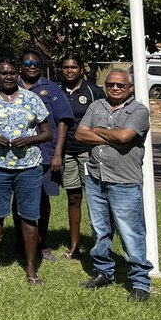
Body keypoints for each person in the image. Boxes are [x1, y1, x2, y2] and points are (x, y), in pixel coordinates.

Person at [0, 57, 52, 284]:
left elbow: (47, 132)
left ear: (18, 75)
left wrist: (30, 139)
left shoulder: (31, 99)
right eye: (3, 73)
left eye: (12, 73)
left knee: (29, 216)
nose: (8, 76)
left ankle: (31, 269)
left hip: (29, 168)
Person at [76, 69, 154, 302]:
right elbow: (80, 135)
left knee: (131, 232)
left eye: (121, 85)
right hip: (95, 178)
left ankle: (140, 282)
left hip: (124, 181)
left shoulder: (138, 111)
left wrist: (98, 131)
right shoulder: (96, 106)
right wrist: (111, 134)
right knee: (100, 230)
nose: (116, 88)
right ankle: (103, 271)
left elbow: (125, 138)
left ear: (130, 88)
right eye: (111, 85)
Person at [16, 48, 75, 261]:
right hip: (16, 156)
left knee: (41, 201)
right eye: (28, 64)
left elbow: (63, 122)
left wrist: (58, 154)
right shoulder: (11, 87)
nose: (32, 68)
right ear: (20, 65)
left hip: (45, 155)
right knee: (19, 201)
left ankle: (41, 242)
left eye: (36, 65)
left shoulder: (51, 89)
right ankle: (20, 243)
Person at [60, 53, 105, 258]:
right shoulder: (56, 90)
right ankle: (74, 246)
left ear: (81, 69)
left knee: (96, 198)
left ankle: (100, 244)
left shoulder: (93, 91)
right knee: (73, 197)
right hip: (66, 152)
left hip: (89, 151)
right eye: (66, 67)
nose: (70, 71)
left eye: (74, 67)